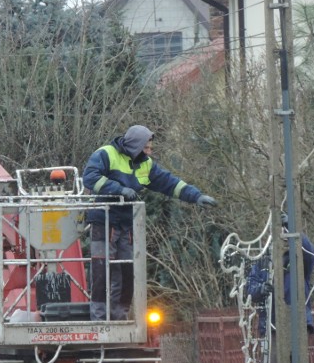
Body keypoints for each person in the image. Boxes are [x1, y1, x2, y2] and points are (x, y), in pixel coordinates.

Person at [82, 124, 217, 321]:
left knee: (127, 272)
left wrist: (196, 196)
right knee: (102, 270)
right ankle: (99, 319)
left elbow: (170, 183)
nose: (149, 151)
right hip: (104, 222)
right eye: (146, 148)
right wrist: (119, 189)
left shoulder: (146, 164)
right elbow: (90, 178)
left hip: (126, 224)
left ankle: (119, 317)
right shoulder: (106, 154)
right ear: (135, 146)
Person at [246, 213, 314, 363]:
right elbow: (250, 288)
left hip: (296, 325)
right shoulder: (265, 260)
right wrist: (261, 290)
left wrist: (293, 227)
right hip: (273, 326)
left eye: (285, 231)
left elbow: (310, 252)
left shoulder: (299, 256)